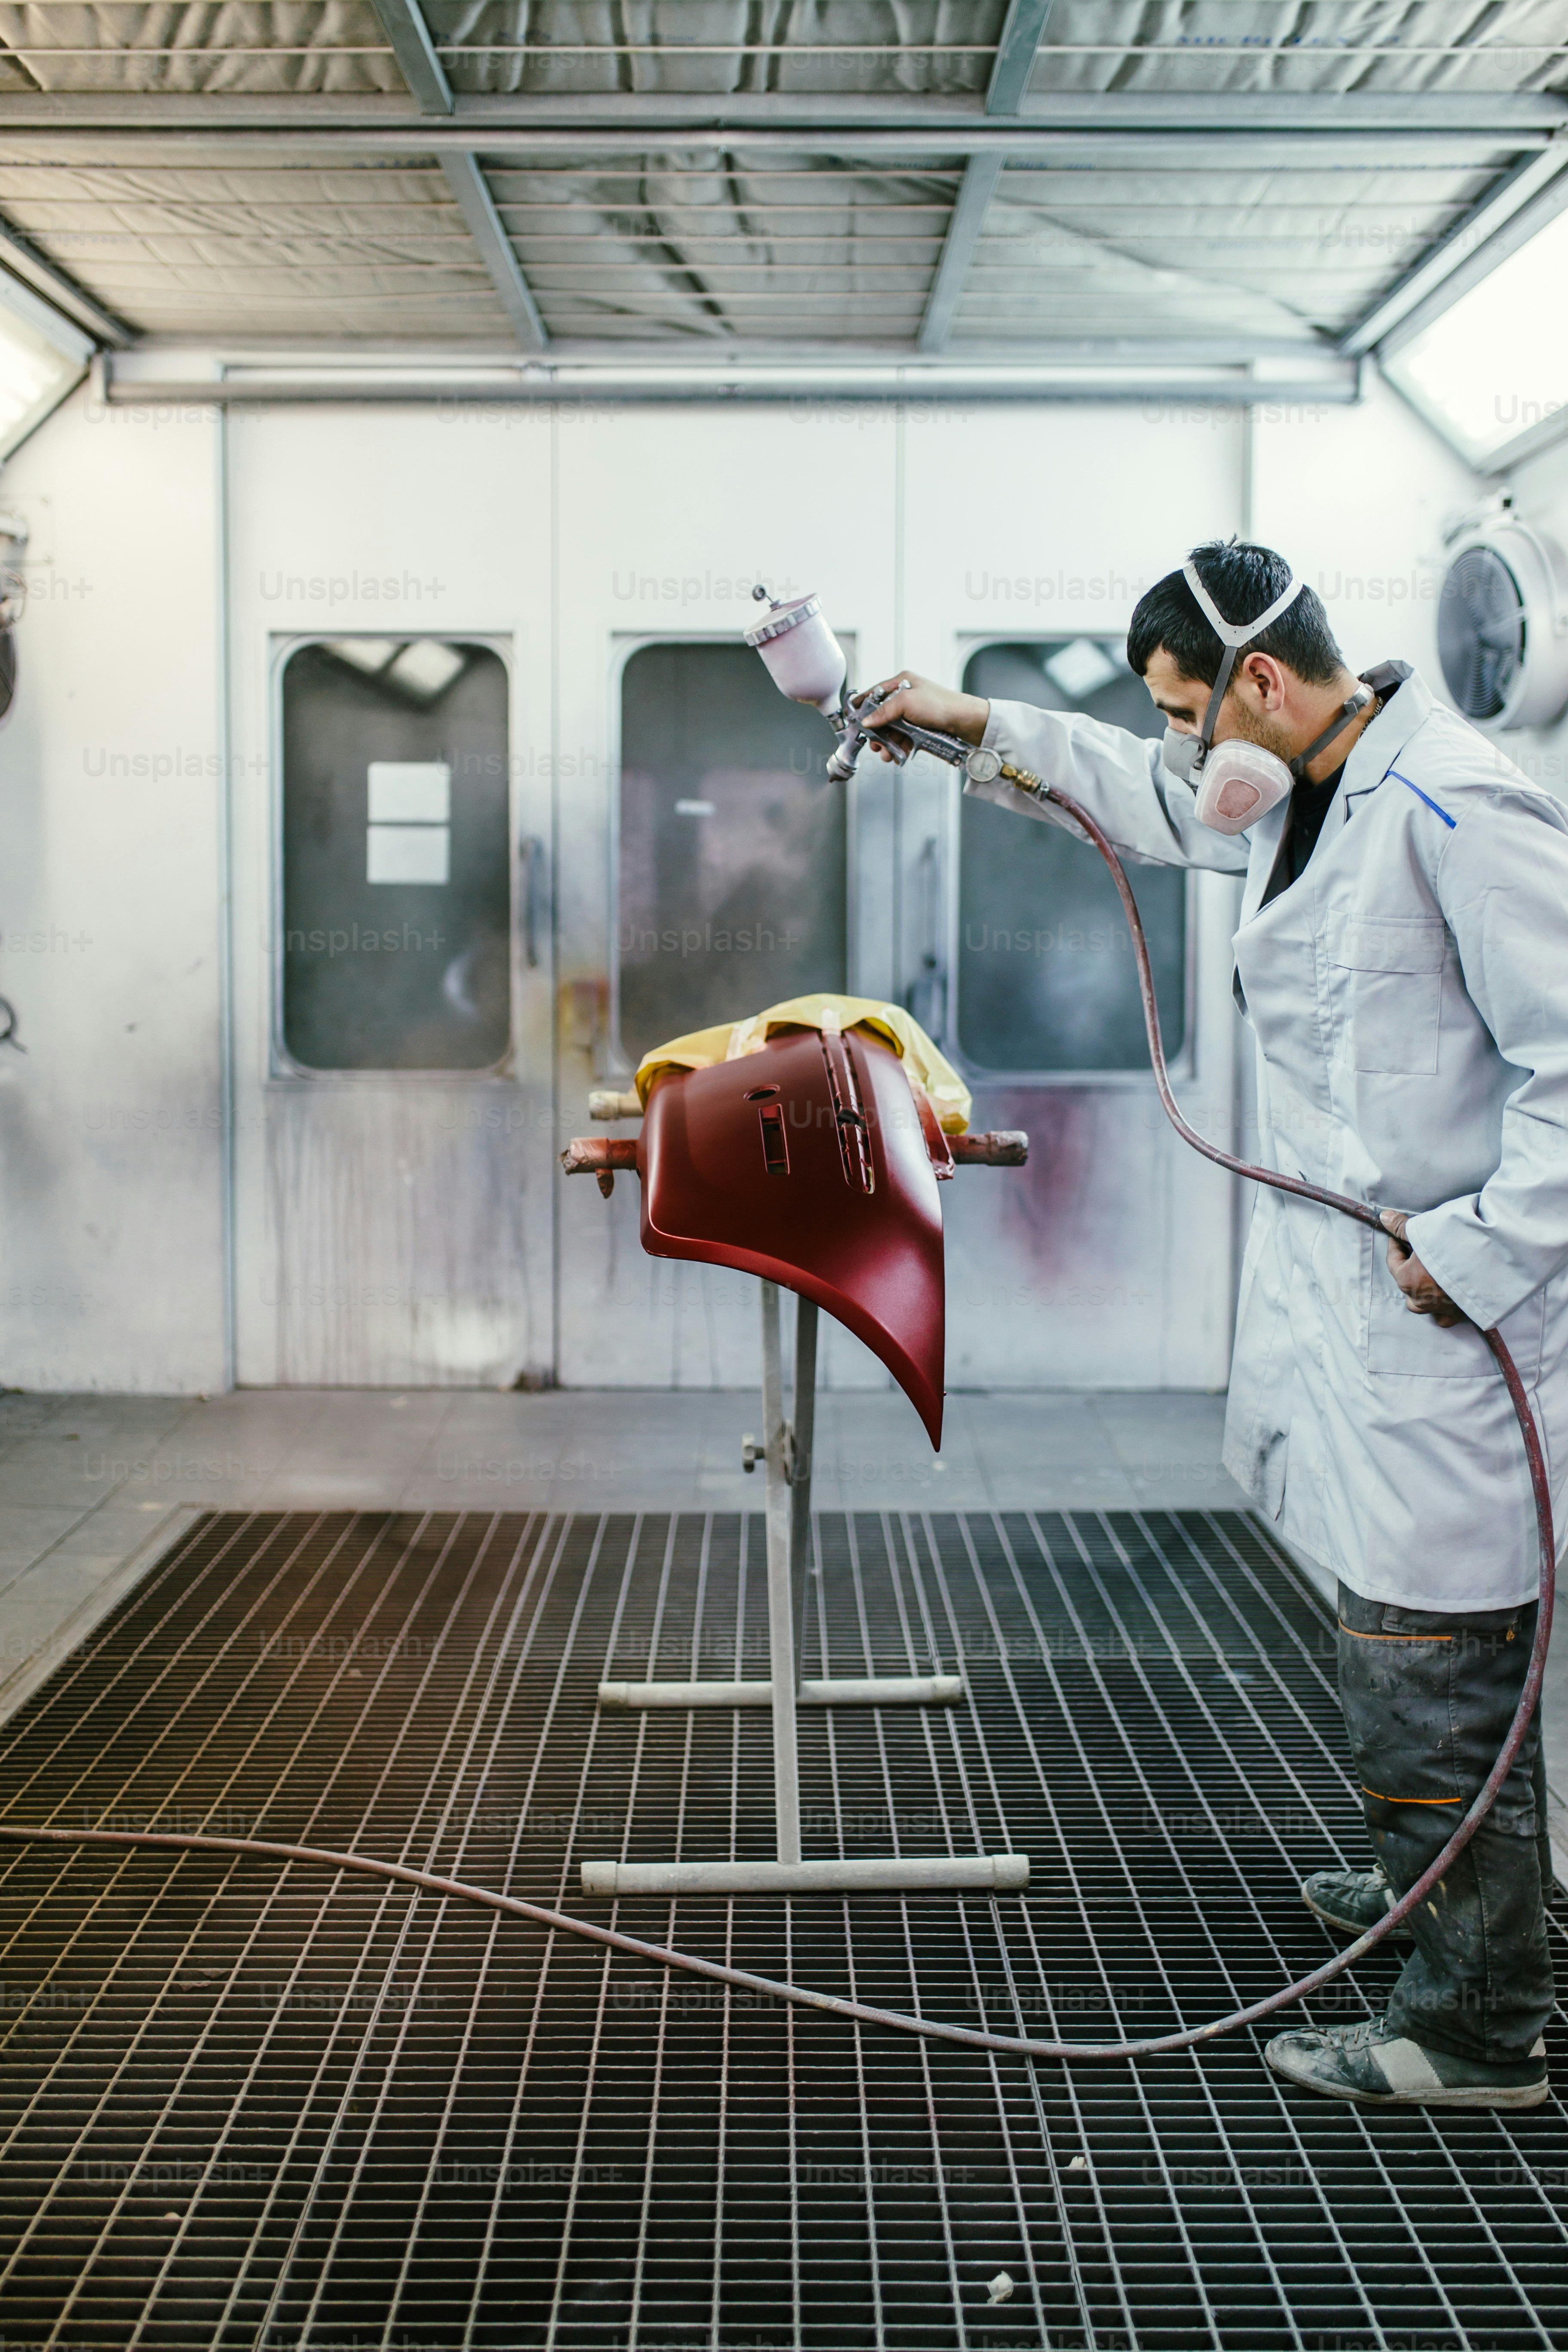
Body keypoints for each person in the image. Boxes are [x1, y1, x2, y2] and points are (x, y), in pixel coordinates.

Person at [863, 540, 1565, 2110]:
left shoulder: (1459, 806)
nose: (1185, 751)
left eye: (1193, 713)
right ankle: (1436, 1895)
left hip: (1450, 1316)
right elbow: (1151, 795)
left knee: (1429, 1649)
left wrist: (1481, 1249)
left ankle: (1480, 2025)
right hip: (1359, 1300)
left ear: (1261, 678)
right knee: (1391, 1626)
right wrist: (970, 723)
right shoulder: (1306, 779)